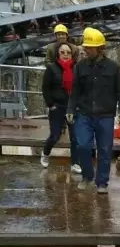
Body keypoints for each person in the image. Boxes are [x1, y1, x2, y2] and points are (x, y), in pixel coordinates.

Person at [67, 27, 120, 193]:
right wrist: (70, 109)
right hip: (84, 113)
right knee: (83, 145)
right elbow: (75, 91)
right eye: (86, 47)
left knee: (104, 149)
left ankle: (102, 183)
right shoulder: (80, 67)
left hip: (105, 115)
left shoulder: (113, 68)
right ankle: (87, 176)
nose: (86, 50)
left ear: (100, 48)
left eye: (90, 47)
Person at [40, 41, 81, 173]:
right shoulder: (51, 68)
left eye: (68, 52)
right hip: (57, 106)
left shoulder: (76, 68)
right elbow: (45, 88)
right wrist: (50, 105)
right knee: (55, 135)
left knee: (75, 136)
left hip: (72, 107)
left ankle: (75, 163)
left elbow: (80, 87)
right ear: (58, 54)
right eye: (62, 52)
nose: (65, 54)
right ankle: (45, 153)